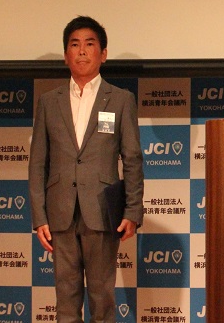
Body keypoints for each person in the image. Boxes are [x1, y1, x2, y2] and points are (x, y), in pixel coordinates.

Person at [29, 16, 144, 322]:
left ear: (103, 54)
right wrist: (39, 216)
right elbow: (37, 163)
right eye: (74, 45)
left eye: (89, 44)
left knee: (102, 299)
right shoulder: (48, 102)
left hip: (102, 212)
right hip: (60, 213)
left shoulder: (121, 99)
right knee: (65, 300)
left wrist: (133, 211)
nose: (81, 51)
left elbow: (132, 159)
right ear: (66, 55)